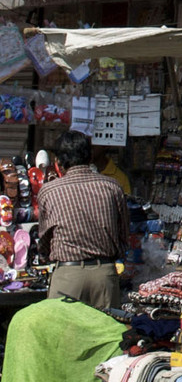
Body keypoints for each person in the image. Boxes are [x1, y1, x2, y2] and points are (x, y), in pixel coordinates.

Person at [34, 130, 128, 311]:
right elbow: (123, 235)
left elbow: (44, 241)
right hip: (104, 276)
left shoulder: (49, 191)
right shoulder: (112, 187)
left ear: (58, 163)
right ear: (90, 156)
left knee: (64, 336)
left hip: (68, 277)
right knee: (105, 335)